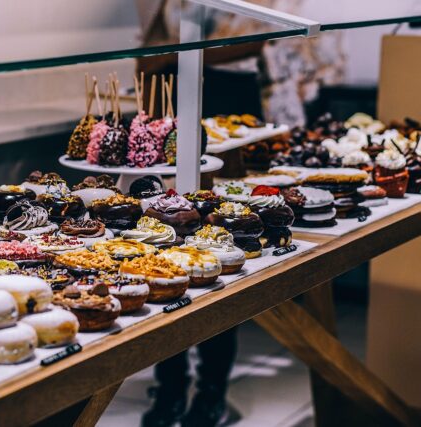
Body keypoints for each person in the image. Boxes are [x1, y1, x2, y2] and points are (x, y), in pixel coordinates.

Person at [134, 2, 264, 426]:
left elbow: (258, 34)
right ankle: (170, 386)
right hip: (168, 94)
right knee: (167, 247)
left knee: (217, 248)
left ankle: (212, 390)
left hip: (227, 91)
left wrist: (175, 54)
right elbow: (147, 46)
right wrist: (161, 61)